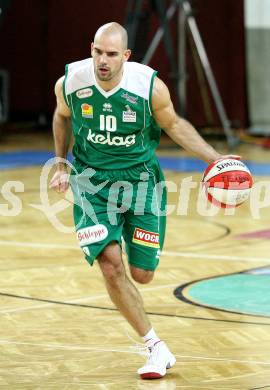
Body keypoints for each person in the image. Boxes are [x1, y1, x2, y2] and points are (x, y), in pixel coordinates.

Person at [50, 22, 229, 379]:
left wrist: (216, 160)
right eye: (98, 51)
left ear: (126, 56)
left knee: (142, 274)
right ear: (91, 48)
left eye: (112, 54)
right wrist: (60, 161)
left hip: (141, 183)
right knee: (110, 264)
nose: (103, 60)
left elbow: (175, 126)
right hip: (91, 184)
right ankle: (154, 347)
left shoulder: (148, 87)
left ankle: (152, 334)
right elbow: (61, 116)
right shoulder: (70, 82)